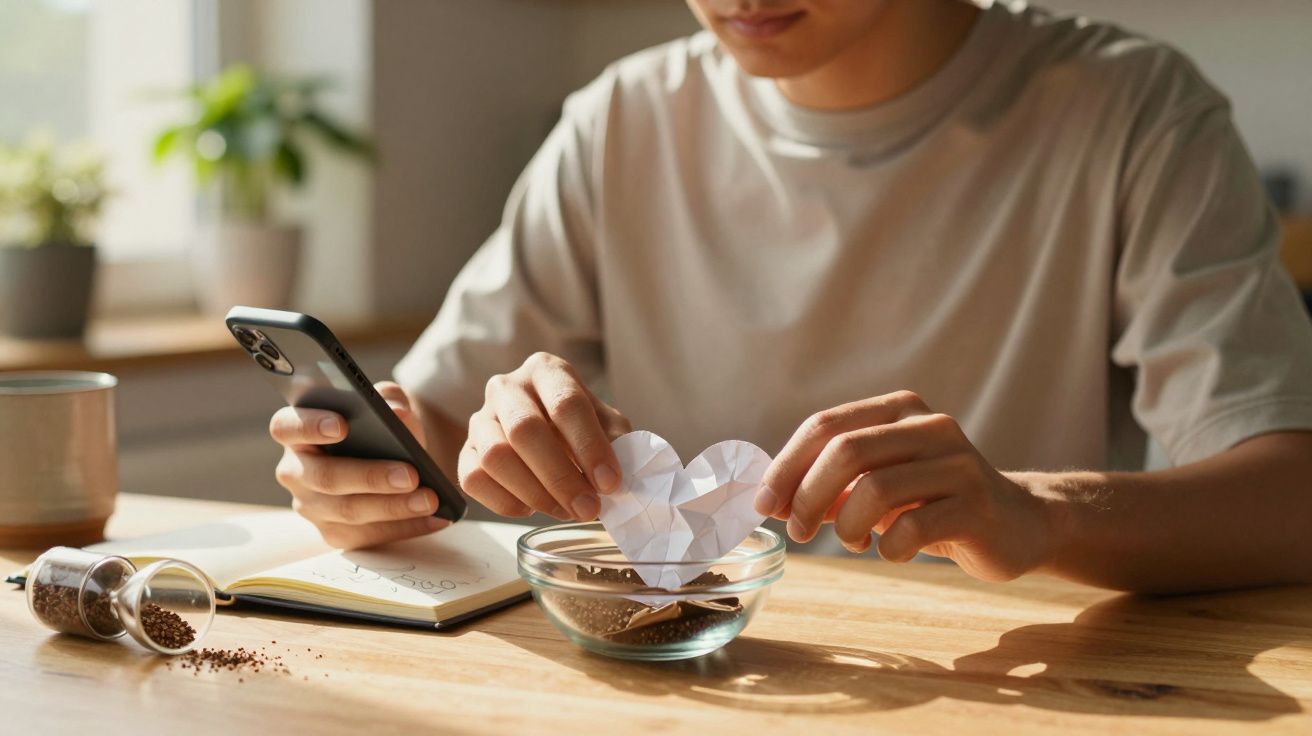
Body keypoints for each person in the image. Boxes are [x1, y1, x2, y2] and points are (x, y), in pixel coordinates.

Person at [269, 0, 1312, 593]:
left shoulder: (1132, 112)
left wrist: (1034, 511)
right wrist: (374, 480)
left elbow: (1288, 496)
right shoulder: (621, 121)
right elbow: (437, 428)